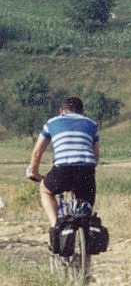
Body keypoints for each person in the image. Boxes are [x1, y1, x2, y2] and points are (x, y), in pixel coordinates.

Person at [26, 97, 100, 229]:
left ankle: (56, 227)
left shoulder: (51, 123)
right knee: (85, 202)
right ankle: (86, 229)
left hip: (62, 170)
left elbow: (37, 152)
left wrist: (34, 172)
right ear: (82, 112)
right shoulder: (91, 124)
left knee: (45, 191)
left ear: (61, 111)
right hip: (86, 171)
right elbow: (95, 156)